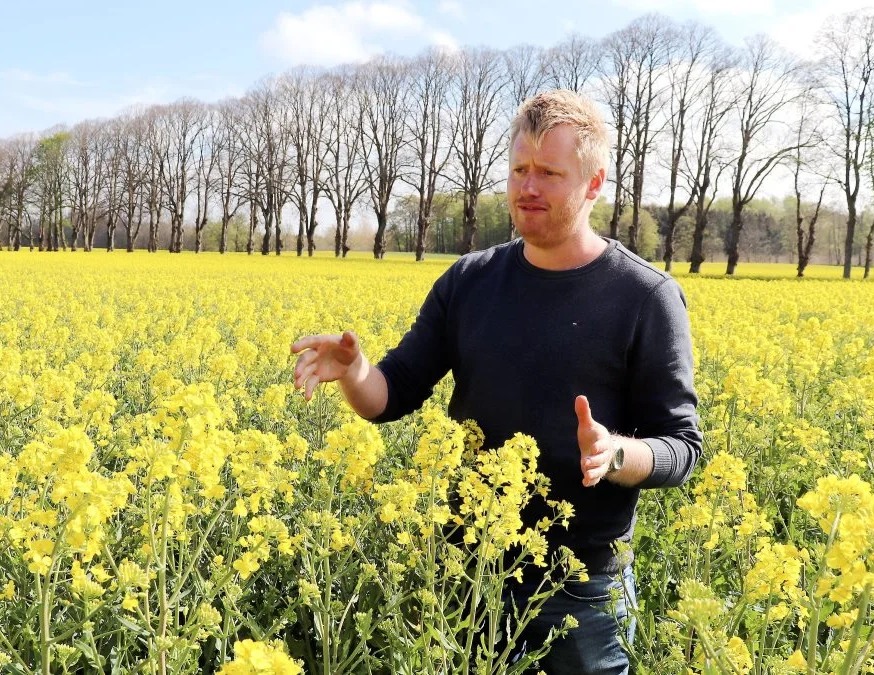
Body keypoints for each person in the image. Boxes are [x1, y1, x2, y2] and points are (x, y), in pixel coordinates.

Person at [289, 89, 702, 674]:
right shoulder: (469, 280)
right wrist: (356, 372)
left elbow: (681, 448)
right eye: (518, 170)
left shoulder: (646, 297)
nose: (527, 187)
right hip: (469, 571)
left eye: (549, 173)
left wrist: (616, 454)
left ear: (593, 183)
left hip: (580, 588)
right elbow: (394, 393)